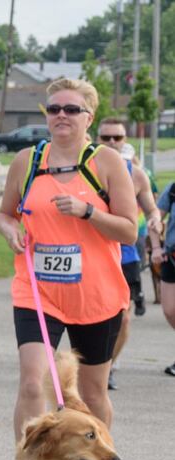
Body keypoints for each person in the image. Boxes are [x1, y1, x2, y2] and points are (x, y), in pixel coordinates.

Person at [0, 77, 136, 460]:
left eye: (71, 109)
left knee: (91, 394)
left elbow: (129, 229)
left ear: (89, 117)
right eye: (53, 108)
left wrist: (91, 212)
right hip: (37, 291)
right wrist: (10, 229)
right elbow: (4, 213)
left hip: (96, 294)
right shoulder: (27, 160)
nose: (60, 116)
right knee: (34, 382)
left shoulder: (106, 161)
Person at [97, 119, 163, 389]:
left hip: (125, 254)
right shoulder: (84, 168)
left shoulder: (135, 173)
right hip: (91, 253)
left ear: (125, 139)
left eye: (118, 137)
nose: (112, 142)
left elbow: (151, 208)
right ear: (96, 138)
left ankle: (109, 366)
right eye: (106, 137)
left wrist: (156, 219)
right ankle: (89, 366)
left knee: (122, 316)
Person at [152, 175, 175, 376]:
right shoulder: (173, 189)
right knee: (169, 310)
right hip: (172, 257)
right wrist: (156, 247)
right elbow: (155, 220)